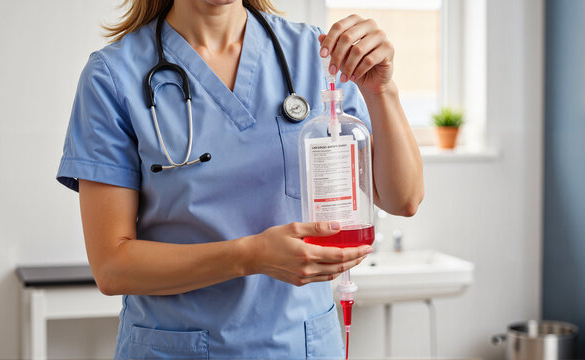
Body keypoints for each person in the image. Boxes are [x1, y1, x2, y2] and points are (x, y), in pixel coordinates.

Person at [57, 0, 423, 358]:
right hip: (176, 348)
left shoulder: (316, 56)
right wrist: (251, 256)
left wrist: (382, 91)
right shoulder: (113, 76)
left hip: (302, 346)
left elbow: (402, 199)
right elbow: (111, 266)